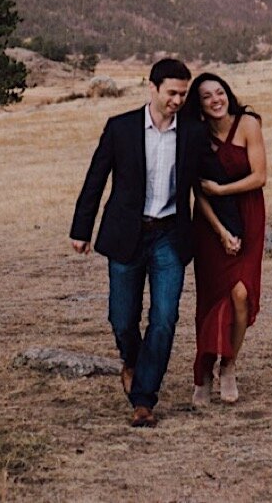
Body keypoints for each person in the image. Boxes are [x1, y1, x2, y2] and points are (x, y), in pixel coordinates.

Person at [70, 58, 206, 427]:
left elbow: (209, 183)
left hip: (169, 237)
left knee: (164, 318)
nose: (178, 100)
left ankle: (144, 400)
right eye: (172, 92)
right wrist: (81, 229)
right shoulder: (121, 128)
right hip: (126, 236)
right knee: (121, 318)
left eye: (184, 93)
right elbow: (95, 179)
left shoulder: (193, 132)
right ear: (153, 88)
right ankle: (131, 360)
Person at [185, 71, 267, 407]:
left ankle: (229, 366)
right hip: (209, 223)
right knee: (210, 299)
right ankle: (203, 373)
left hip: (247, 215)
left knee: (241, 294)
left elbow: (260, 177)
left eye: (220, 92)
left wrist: (223, 189)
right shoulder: (196, 135)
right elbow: (198, 192)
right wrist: (219, 231)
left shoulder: (247, 124)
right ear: (199, 104)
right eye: (207, 96)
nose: (216, 100)